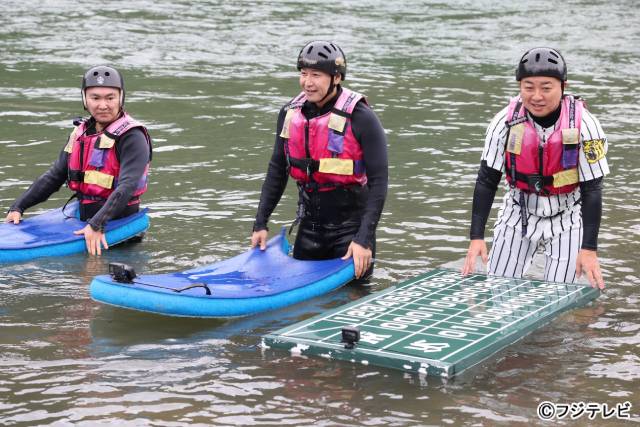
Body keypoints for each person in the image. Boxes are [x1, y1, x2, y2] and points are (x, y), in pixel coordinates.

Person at [462, 47, 609, 289]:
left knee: (561, 295)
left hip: (567, 215)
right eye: (528, 87)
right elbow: (487, 180)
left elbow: (593, 189)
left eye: (546, 87)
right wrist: (476, 236)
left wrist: (589, 249)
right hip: (517, 212)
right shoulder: (504, 123)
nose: (536, 96)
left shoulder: (586, 126)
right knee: (498, 288)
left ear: (563, 86)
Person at [250, 40, 388, 279]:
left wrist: (363, 239)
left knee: (354, 297)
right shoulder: (290, 113)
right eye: (303, 74)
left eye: (316, 75)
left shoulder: (362, 117)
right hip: (310, 228)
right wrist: (260, 223)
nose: (307, 82)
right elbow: (277, 170)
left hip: (350, 230)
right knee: (303, 298)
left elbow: (379, 182)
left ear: (336, 78)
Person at [4, 65, 152, 256]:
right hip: (83, 217)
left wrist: (97, 224)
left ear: (121, 98)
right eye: (95, 98)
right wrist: (18, 206)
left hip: (116, 225)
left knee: (88, 279)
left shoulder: (132, 136)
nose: (103, 105)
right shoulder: (80, 133)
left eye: (110, 97)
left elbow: (128, 186)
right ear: (85, 99)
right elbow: (54, 176)